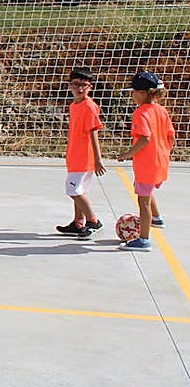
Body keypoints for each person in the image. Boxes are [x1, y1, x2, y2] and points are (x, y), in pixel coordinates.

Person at [116, 71, 175, 251]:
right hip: (160, 162)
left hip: (147, 164)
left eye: (134, 91)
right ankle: (157, 219)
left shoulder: (141, 113)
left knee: (143, 202)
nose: (132, 95)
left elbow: (144, 138)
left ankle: (143, 239)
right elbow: (171, 137)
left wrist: (128, 154)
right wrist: (164, 153)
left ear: (144, 93)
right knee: (147, 193)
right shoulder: (161, 110)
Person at [56, 67, 106, 239]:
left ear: (90, 87)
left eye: (84, 85)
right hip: (74, 155)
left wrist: (98, 159)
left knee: (73, 190)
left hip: (85, 157)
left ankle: (93, 221)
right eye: (76, 84)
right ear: (70, 85)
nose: (80, 88)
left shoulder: (90, 107)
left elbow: (93, 132)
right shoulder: (74, 105)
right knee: (79, 189)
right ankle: (78, 223)